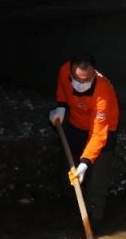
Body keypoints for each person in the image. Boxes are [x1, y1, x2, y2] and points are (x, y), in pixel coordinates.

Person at [49, 53, 119, 226]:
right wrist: (61, 106)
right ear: (70, 72)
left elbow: (97, 134)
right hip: (76, 124)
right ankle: (69, 207)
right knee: (68, 167)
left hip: (103, 129)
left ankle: (95, 219)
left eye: (86, 80)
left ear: (94, 73)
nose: (81, 84)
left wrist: (85, 163)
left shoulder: (103, 92)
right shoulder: (64, 70)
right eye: (77, 79)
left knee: (97, 178)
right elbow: (62, 88)